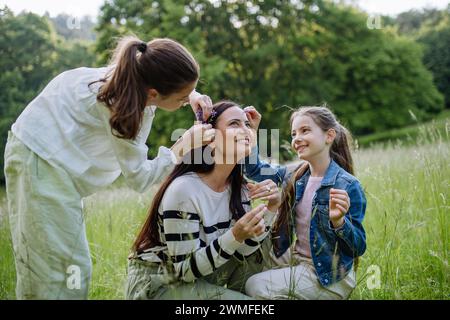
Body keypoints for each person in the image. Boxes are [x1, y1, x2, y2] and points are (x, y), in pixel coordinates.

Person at [4, 36, 215, 299]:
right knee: (62, 271)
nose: (187, 103)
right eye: (182, 99)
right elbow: (139, 178)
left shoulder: (133, 74)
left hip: (39, 158)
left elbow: (162, 73)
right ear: (153, 94)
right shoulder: (123, 106)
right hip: (39, 163)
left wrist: (189, 93)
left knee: (51, 268)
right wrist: (182, 146)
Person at [126, 101, 282, 299]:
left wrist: (271, 208)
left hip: (203, 276)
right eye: (234, 124)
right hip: (161, 283)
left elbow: (244, 253)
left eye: (247, 125)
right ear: (210, 139)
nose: (246, 131)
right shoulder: (184, 190)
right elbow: (185, 270)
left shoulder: (240, 189)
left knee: (261, 257)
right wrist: (235, 234)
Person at [244, 106, 367, 299]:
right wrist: (251, 133)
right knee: (246, 267)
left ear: (329, 136)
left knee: (255, 286)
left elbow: (358, 247)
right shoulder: (296, 174)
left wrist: (339, 223)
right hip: (297, 258)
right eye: (294, 134)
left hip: (327, 275)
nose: (296, 139)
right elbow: (254, 170)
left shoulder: (347, 185)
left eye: (305, 131)